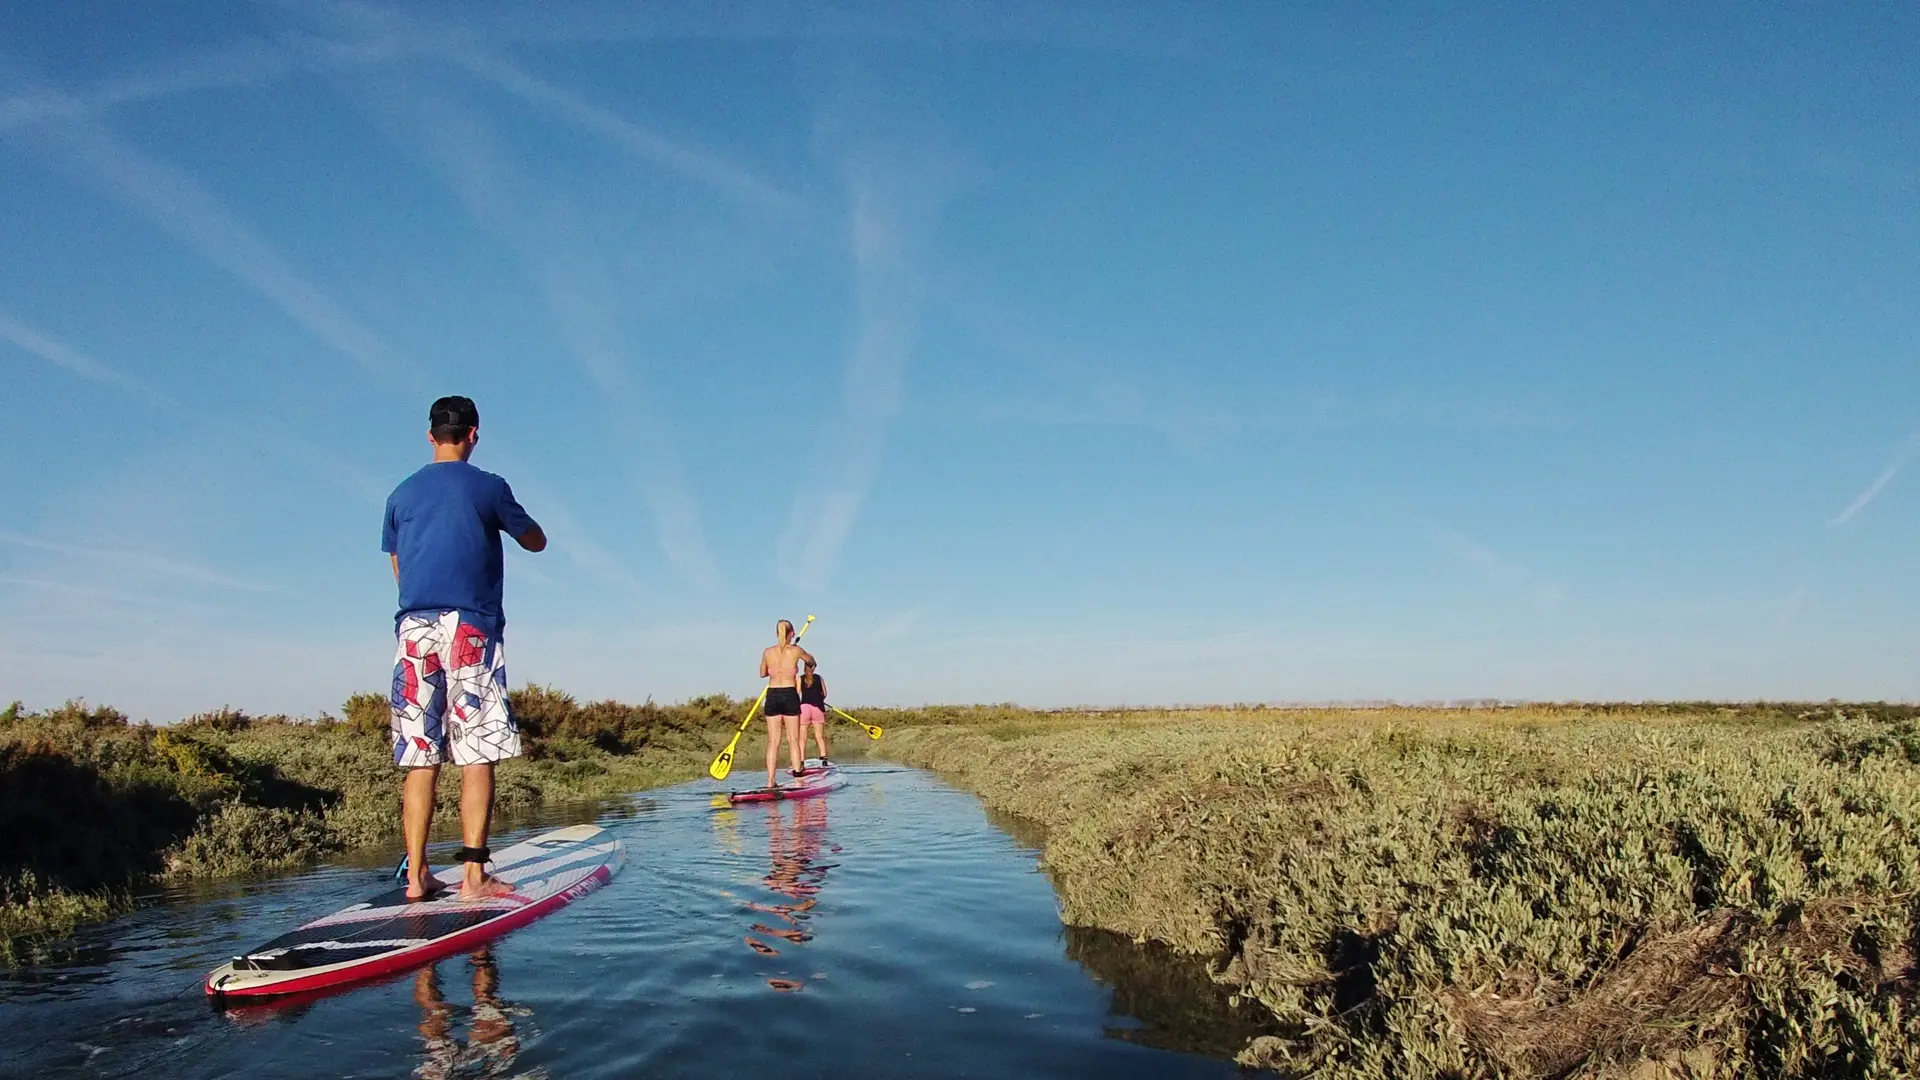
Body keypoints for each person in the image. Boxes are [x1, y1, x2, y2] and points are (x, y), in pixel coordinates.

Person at [383, 395, 547, 901]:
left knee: (420, 754)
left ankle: (416, 878)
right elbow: (534, 541)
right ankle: (474, 876)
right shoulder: (489, 487)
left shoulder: (401, 494)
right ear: (473, 434)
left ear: (430, 436)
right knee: (477, 751)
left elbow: (398, 568)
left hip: (413, 626)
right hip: (470, 625)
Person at [758, 619, 814, 789]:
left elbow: (762, 673)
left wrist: (776, 669)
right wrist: (806, 669)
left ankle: (770, 781)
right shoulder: (796, 651)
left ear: (777, 634)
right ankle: (798, 777)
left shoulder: (767, 652)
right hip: (789, 693)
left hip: (773, 694)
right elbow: (812, 661)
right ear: (792, 634)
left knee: (773, 741)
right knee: (793, 739)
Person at [798, 663, 830, 765]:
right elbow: (824, 693)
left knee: (803, 737)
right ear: (814, 667)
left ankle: (801, 760)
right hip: (818, 708)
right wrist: (820, 699)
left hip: (804, 709)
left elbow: (796, 693)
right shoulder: (819, 678)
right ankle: (823, 757)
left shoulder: (800, 678)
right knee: (819, 736)